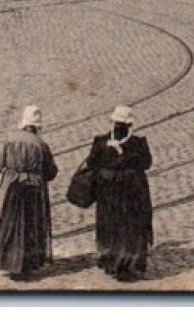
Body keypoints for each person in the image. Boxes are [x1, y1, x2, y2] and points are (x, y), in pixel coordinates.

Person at [0, 106, 58, 280]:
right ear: (37, 127)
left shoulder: (9, 140)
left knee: (11, 223)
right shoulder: (41, 145)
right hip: (34, 190)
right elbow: (51, 172)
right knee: (32, 225)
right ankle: (28, 263)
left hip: (13, 187)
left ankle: (9, 261)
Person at [82, 105, 154, 281]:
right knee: (129, 227)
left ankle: (112, 261)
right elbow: (146, 163)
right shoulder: (138, 143)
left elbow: (91, 163)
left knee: (111, 226)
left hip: (111, 193)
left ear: (113, 122)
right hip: (130, 193)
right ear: (130, 125)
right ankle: (128, 262)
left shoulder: (101, 141)